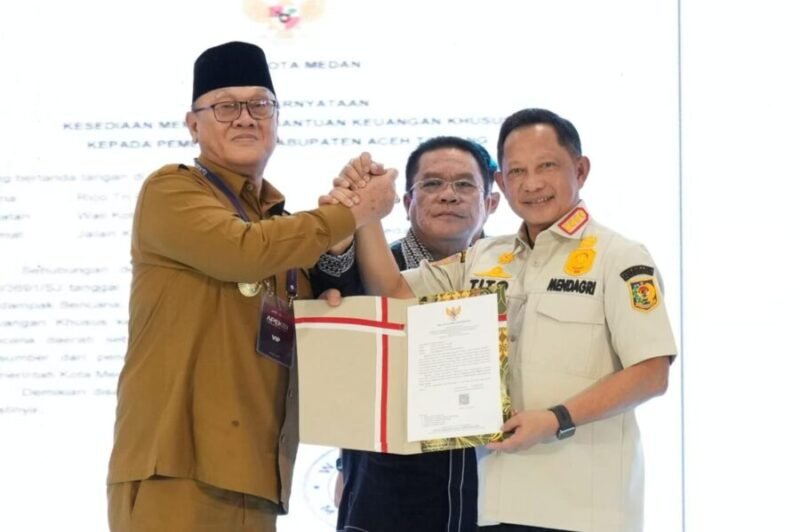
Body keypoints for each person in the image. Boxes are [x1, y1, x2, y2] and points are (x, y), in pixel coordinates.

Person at [330, 108, 677, 532]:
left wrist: (556, 418)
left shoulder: (619, 256)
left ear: (580, 170)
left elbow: (651, 372)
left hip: (584, 510)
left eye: (547, 166)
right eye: (517, 171)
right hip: (495, 506)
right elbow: (395, 292)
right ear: (501, 183)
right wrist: (367, 214)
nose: (531, 184)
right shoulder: (486, 257)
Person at [106, 41, 397, 532]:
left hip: (256, 476)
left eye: (259, 105)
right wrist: (352, 212)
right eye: (225, 106)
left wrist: (342, 235)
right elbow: (240, 251)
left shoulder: (276, 224)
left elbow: (316, 303)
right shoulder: (172, 190)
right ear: (193, 125)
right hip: (176, 470)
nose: (245, 118)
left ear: (277, 120)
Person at [335, 136, 500, 532]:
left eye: (464, 184)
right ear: (407, 201)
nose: (448, 195)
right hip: (385, 494)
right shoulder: (366, 265)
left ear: (491, 202)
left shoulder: (516, 272)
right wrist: (347, 218)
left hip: (492, 494)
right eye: (432, 184)